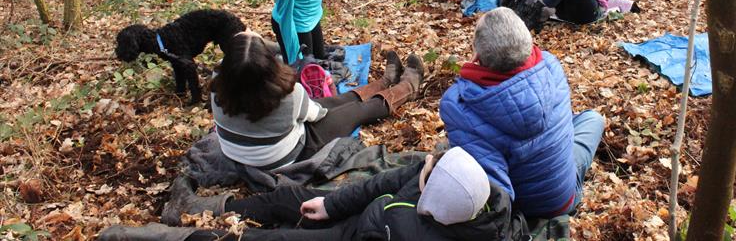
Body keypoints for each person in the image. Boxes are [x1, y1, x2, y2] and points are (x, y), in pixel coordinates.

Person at [102, 147, 524, 241]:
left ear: (428, 206)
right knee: (290, 199)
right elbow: (379, 184)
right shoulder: (468, 188)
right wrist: (331, 204)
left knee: (271, 239)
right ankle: (200, 208)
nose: (421, 169)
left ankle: (151, 236)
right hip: (354, 219)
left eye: (425, 174)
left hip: (352, 238)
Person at [440, 7, 606, 218]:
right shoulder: (550, 64)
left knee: (448, 154)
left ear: (477, 54)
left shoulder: (460, 104)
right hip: (565, 198)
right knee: (593, 119)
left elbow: (495, 194)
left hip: (527, 212)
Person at [211, 31, 424, 170]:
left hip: (237, 152)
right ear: (269, 65)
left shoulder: (217, 83)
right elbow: (317, 113)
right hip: (286, 156)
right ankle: (407, 87)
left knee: (341, 100)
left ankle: (386, 81)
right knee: (357, 110)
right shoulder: (290, 95)